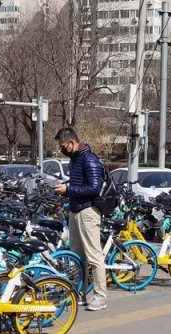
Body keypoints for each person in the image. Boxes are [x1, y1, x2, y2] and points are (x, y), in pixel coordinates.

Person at [53, 127, 107, 311]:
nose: (62, 149)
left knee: (94, 256)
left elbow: (93, 188)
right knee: (76, 257)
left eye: (63, 146)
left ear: (72, 142)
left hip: (88, 212)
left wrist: (68, 190)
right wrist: (67, 189)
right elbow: (79, 185)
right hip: (75, 211)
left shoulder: (90, 160)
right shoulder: (75, 159)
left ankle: (100, 297)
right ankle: (80, 294)